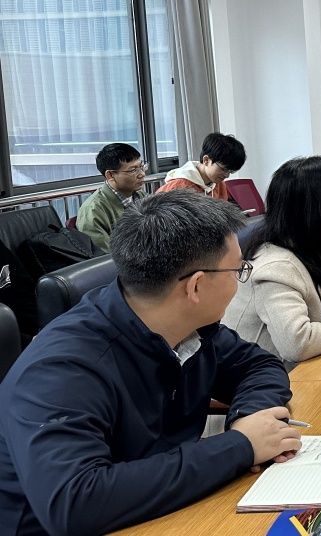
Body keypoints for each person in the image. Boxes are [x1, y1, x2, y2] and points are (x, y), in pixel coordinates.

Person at [0, 191, 299, 534]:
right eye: (237, 270)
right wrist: (238, 446)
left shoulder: (190, 327)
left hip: (158, 508)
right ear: (196, 287)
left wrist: (250, 418)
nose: (239, 280)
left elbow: (259, 366)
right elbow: (75, 503)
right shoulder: (61, 369)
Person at [224, 156, 321, 365]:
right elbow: (297, 344)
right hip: (269, 379)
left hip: (310, 368)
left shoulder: (311, 246)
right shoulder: (276, 268)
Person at [76, 143, 147, 252]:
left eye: (141, 167)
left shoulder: (141, 196)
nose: (142, 174)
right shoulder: (93, 210)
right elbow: (105, 256)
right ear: (110, 175)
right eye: (133, 170)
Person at [157, 132, 247, 201]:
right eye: (223, 169)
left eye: (231, 171)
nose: (227, 175)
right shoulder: (179, 187)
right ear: (206, 160)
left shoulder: (219, 184)